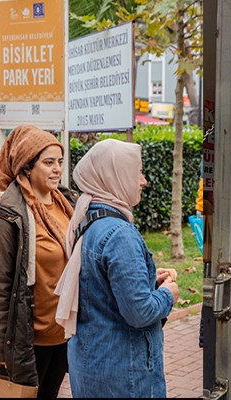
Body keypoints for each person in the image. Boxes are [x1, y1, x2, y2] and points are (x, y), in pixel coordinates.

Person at [54, 138, 180, 398]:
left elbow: (98, 287)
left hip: (93, 364)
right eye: (138, 172)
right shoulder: (120, 233)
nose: (144, 180)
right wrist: (169, 294)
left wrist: (147, 281)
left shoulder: (86, 219)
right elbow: (140, 313)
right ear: (115, 176)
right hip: (124, 374)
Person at [0, 125, 77, 398]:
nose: (57, 169)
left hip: (63, 334)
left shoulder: (65, 202)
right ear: (26, 167)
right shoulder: (6, 215)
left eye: (59, 162)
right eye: (48, 163)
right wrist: (0, 348)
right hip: (28, 339)